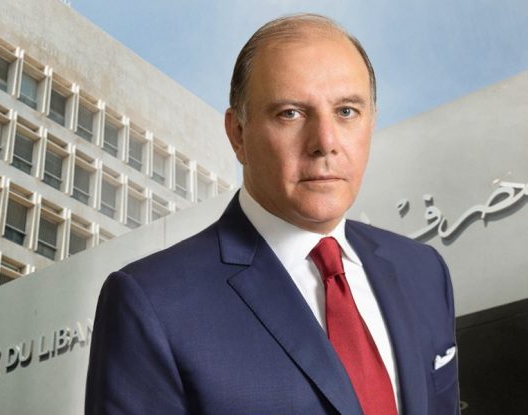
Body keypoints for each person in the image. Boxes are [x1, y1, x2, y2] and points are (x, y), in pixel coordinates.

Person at [86, 13, 459, 415]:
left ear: (372, 121)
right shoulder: (152, 302)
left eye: (347, 111)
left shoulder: (424, 271)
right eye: (290, 113)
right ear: (238, 134)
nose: (325, 142)